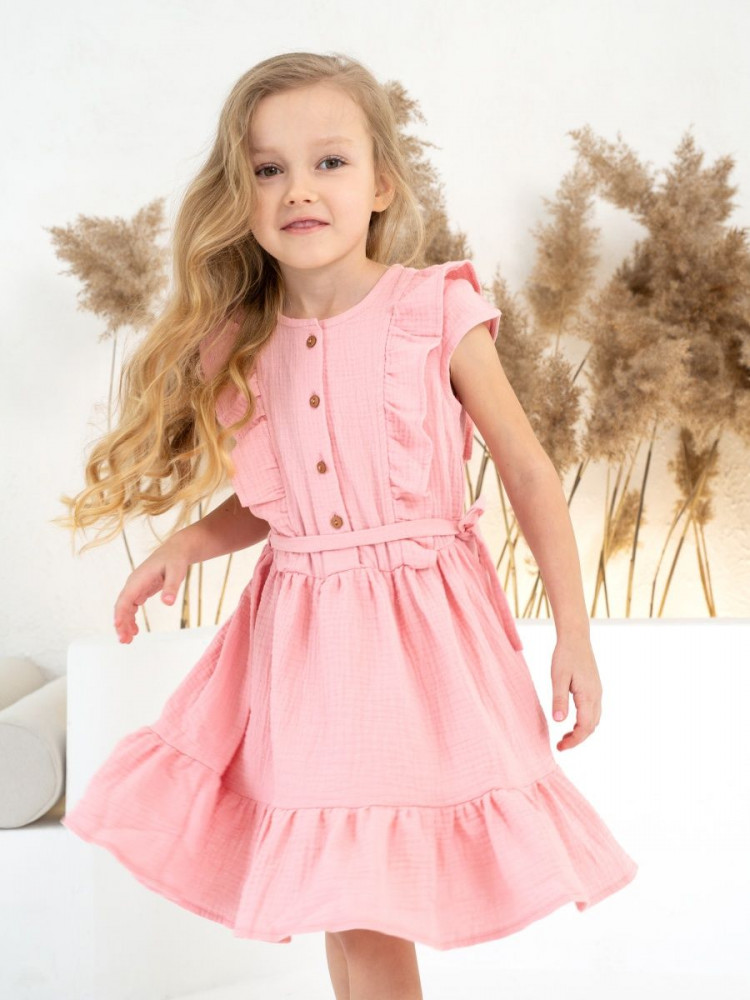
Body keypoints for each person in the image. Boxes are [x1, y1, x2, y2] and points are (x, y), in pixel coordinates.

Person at [58, 50, 637, 1000]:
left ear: (381, 185)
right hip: (303, 647)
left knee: (370, 900)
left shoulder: (435, 307)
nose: (299, 188)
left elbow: (529, 471)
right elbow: (277, 500)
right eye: (268, 168)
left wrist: (574, 634)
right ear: (239, 194)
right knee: (342, 894)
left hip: (423, 645)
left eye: (329, 161)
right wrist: (184, 544)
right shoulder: (239, 342)